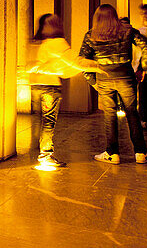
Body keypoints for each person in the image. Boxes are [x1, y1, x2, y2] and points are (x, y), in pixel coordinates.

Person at [80, 4, 147, 165]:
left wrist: (92, 81)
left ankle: (112, 153)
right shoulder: (127, 31)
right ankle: (140, 152)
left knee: (110, 116)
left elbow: (82, 61)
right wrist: (142, 68)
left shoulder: (91, 35)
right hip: (126, 76)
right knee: (132, 113)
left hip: (104, 78)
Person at [26, 14, 101, 168]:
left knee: (40, 121)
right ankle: (46, 155)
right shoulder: (57, 42)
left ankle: (40, 150)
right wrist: (98, 66)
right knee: (48, 122)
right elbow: (74, 61)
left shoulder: (35, 42)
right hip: (50, 87)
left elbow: (32, 65)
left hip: (35, 85)